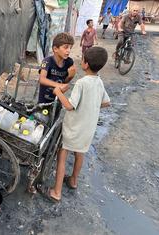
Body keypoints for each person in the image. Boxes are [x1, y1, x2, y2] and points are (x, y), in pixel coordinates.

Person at [40, 47, 111, 202]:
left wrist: (58, 93)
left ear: (85, 64)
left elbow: (69, 106)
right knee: (80, 153)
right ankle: (73, 180)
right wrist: (90, 106)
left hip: (74, 128)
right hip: (88, 128)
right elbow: (106, 102)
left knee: (62, 155)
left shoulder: (81, 83)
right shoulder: (99, 82)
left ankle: (56, 192)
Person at [38, 32, 76, 104]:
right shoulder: (47, 61)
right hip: (44, 101)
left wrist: (70, 76)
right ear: (55, 49)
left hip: (57, 100)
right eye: (66, 47)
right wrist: (59, 85)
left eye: (70, 48)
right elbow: (42, 79)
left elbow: (65, 81)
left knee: (56, 113)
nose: (68, 50)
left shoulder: (69, 62)